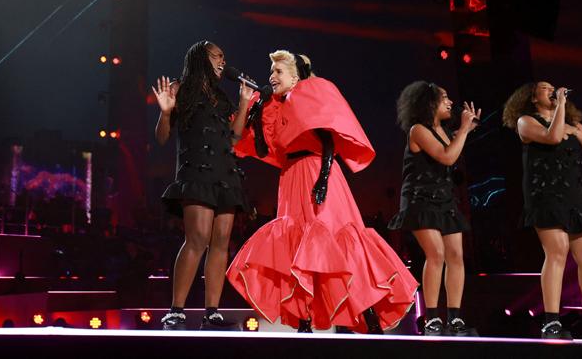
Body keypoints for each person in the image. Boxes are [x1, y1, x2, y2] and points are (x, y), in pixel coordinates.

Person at [227, 50, 417, 333]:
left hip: (317, 171)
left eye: (279, 71)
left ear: (294, 76)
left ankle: (371, 319)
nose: (272, 76)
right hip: (290, 177)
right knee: (298, 248)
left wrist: (324, 179)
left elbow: (328, 141)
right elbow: (262, 149)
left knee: (338, 242)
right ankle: (304, 321)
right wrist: (254, 113)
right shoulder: (275, 108)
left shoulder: (308, 97)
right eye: (271, 72)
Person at [502, 82, 582, 342]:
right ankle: (551, 321)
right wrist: (560, 107)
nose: (552, 90)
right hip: (545, 196)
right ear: (532, 98)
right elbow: (553, 137)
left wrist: (578, 130)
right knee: (557, 251)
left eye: (554, 88)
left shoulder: (571, 123)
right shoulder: (525, 121)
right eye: (545, 88)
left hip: (574, 196)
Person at [154, 41, 253, 330]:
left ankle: (213, 312)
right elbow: (162, 138)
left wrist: (245, 102)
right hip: (196, 171)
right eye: (216, 56)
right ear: (200, 59)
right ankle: (176, 311)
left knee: (221, 243)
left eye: (224, 56)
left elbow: (235, 138)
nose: (223, 61)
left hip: (225, 173)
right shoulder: (180, 88)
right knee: (198, 238)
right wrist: (165, 112)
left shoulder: (222, 98)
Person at [388, 81, 479, 336]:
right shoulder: (418, 130)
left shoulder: (445, 131)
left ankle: (454, 318)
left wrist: (465, 131)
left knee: (456, 256)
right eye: (445, 98)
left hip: (445, 199)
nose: (450, 102)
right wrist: (462, 130)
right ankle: (432, 317)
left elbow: (452, 154)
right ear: (429, 104)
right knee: (436, 254)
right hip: (420, 199)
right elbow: (447, 156)